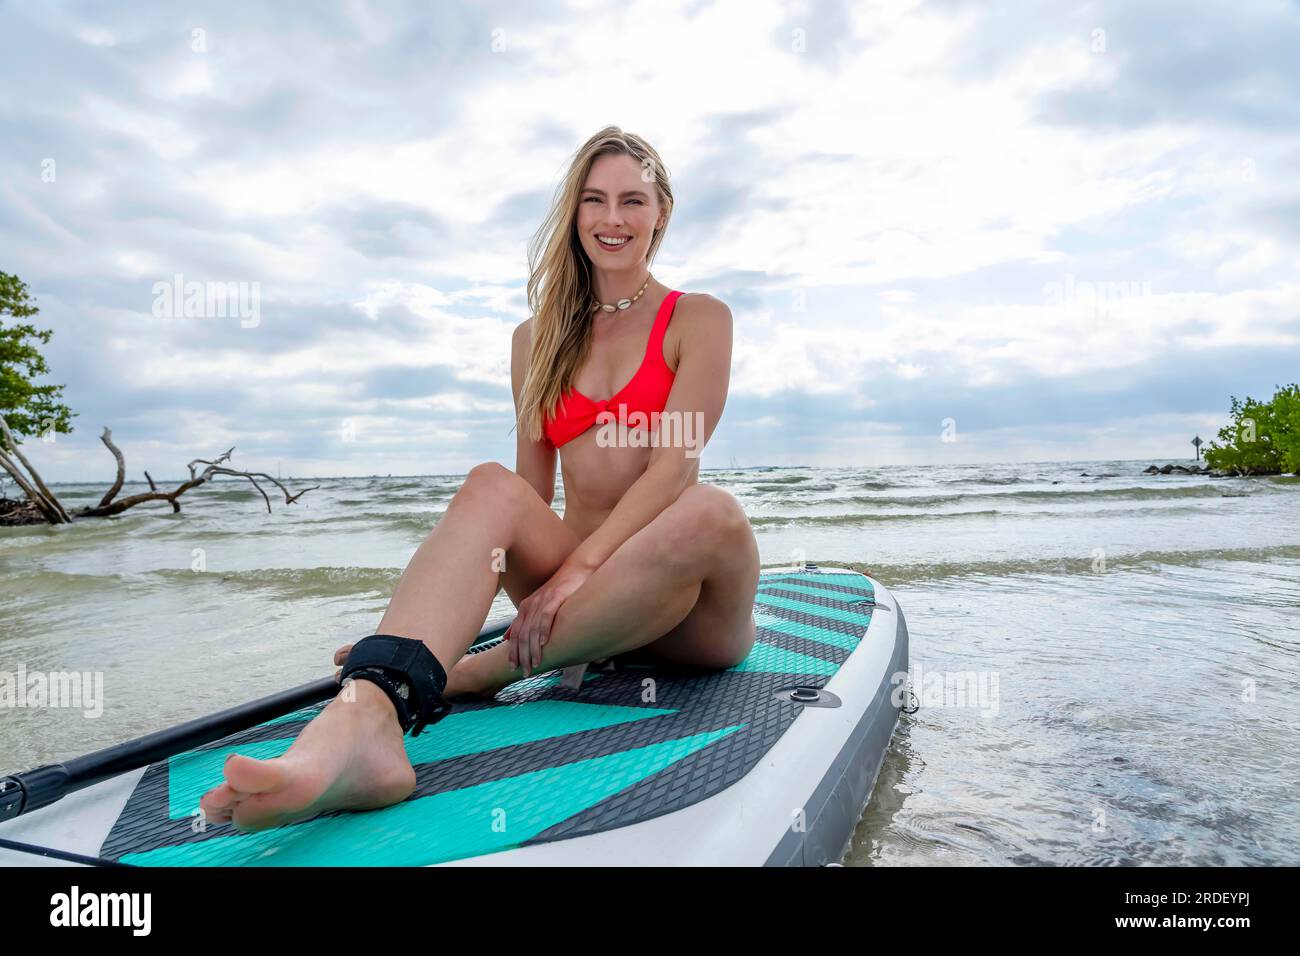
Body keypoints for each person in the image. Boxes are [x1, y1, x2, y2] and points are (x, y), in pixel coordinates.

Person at [199, 126, 759, 832]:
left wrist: (579, 569)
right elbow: (526, 497)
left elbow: (675, 466)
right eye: (594, 200)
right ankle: (370, 715)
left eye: (631, 201)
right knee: (490, 483)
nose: (612, 219)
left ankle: (485, 673)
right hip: (584, 610)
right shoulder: (536, 338)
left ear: (661, 213)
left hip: (684, 611)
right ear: (574, 213)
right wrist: (527, 584)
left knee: (711, 510)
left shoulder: (699, 318)